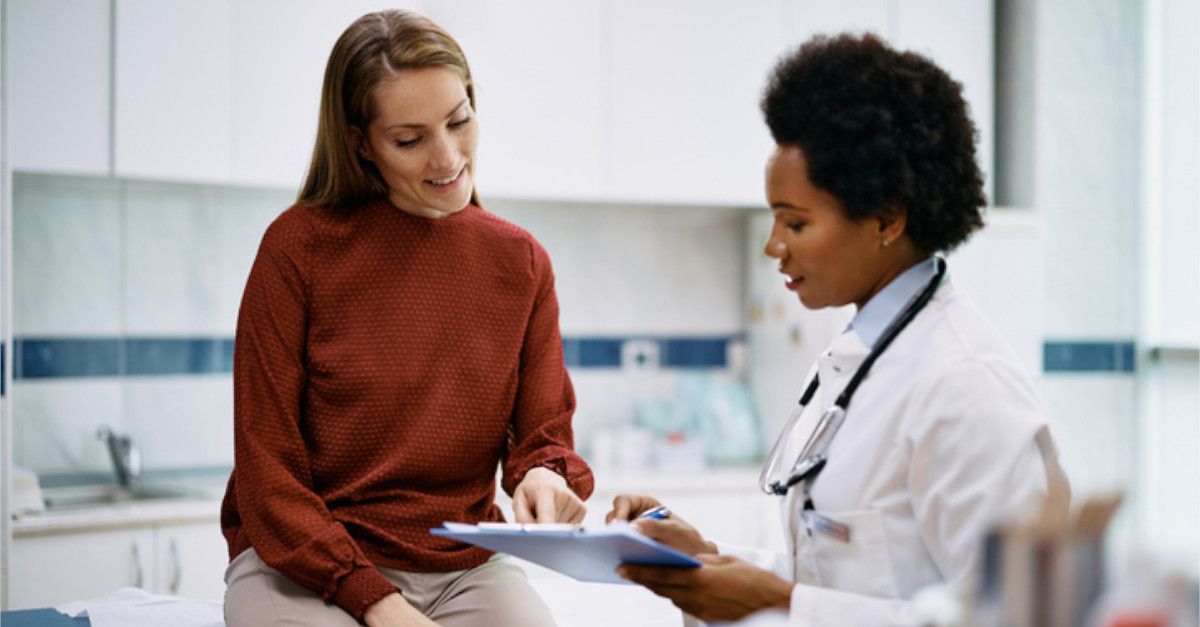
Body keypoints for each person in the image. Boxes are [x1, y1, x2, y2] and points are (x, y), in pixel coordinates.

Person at [607, 33, 1070, 626]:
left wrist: (777, 602)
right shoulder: (859, 360)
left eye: (794, 223)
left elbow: (1022, 616)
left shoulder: (965, 385)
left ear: (887, 218)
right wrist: (708, 563)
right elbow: (848, 577)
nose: (774, 246)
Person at [220, 9, 593, 627]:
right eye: (409, 138)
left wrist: (546, 481)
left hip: (464, 566)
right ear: (360, 141)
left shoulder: (521, 262)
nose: (448, 157)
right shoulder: (297, 249)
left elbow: (542, 437)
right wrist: (374, 601)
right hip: (304, 562)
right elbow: (268, 474)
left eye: (460, 120)